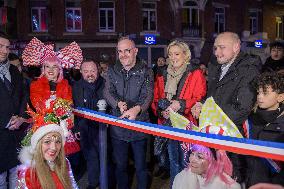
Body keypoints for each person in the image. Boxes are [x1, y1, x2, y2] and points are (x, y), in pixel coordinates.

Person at [191, 32, 261, 183]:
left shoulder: (249, 68)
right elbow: (212, 96)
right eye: (215, 48)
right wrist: (202, 104)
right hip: (212, 134)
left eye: (222, 47)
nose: (217, 52)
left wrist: (211, 118)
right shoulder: (215, 65)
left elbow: (242, 107)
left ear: (236, 47)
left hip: (233, 135)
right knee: (214, 178)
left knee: (231, 180)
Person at [22, 37, 83, 175]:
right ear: (43, 68)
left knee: (64, 165)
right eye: (47, 66)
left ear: (59, 69)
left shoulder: (66, 85)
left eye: (54, 66)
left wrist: (66, 111)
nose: (51, 70)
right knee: (44, 166)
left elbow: (69, 106)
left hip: (62, 129)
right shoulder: (35, 85)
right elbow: (38, 107)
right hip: (42, 129)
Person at [151, 40, 207, 187]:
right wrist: (161, 112)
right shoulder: (162, 73)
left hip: (186, 124)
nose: (173, 57)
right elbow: (156, 97)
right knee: (173, 161)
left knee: (188, 162)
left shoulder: (195, 73)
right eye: (170, 54)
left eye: (177, 54)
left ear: (185, 55)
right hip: (168, 124)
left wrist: (180, 104)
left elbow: (200, 98)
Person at [104, 36, 154, 189]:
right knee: (120, 167)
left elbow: (148, 94)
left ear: (135, 51)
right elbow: (107, 92)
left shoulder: (146, 71)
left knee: (141, 167)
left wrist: (137, 109)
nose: (123, 55)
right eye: (120, 51)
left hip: (140, 127)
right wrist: (117, 103)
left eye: (127, 51)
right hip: (118, 129)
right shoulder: (112, 71)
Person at [0, 32, 28, 189]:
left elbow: (24, 96)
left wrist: (21, 117)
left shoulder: (14, 71)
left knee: (16, 177)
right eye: (1, 46)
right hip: (1, 134)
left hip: (16, 135)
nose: (5, 50)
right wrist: (5, 122)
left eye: (7, 47)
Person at [245, 72, 284, 187]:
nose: (260, 97)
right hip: (248, 182)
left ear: (280, 97)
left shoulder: (281, 125)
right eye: (259, 92)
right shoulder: (250, 120)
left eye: (265, 93)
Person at [72, 59, 105, 189]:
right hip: (84, 128)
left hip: (103, 129)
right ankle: (93, 183)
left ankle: (107, 183)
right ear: (81, 72)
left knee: (106, 158)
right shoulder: (76, 86)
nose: (89, 74)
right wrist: (76, 128)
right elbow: (73, 109)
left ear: (98, 71)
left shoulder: (106, 84)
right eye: (86, 71)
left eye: (93, 71)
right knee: (90, 157)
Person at [17, 121, 78, 188]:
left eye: (58, 142)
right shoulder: (29, 173)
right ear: (38, 145)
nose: (53, 147)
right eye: (47, 142)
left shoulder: (64, 162)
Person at [172, 144, 241, 189]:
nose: (192, 159)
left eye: (199, 157)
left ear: (213, 161)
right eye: (192, 153)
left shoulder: (228, 186)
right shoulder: (180, 177)